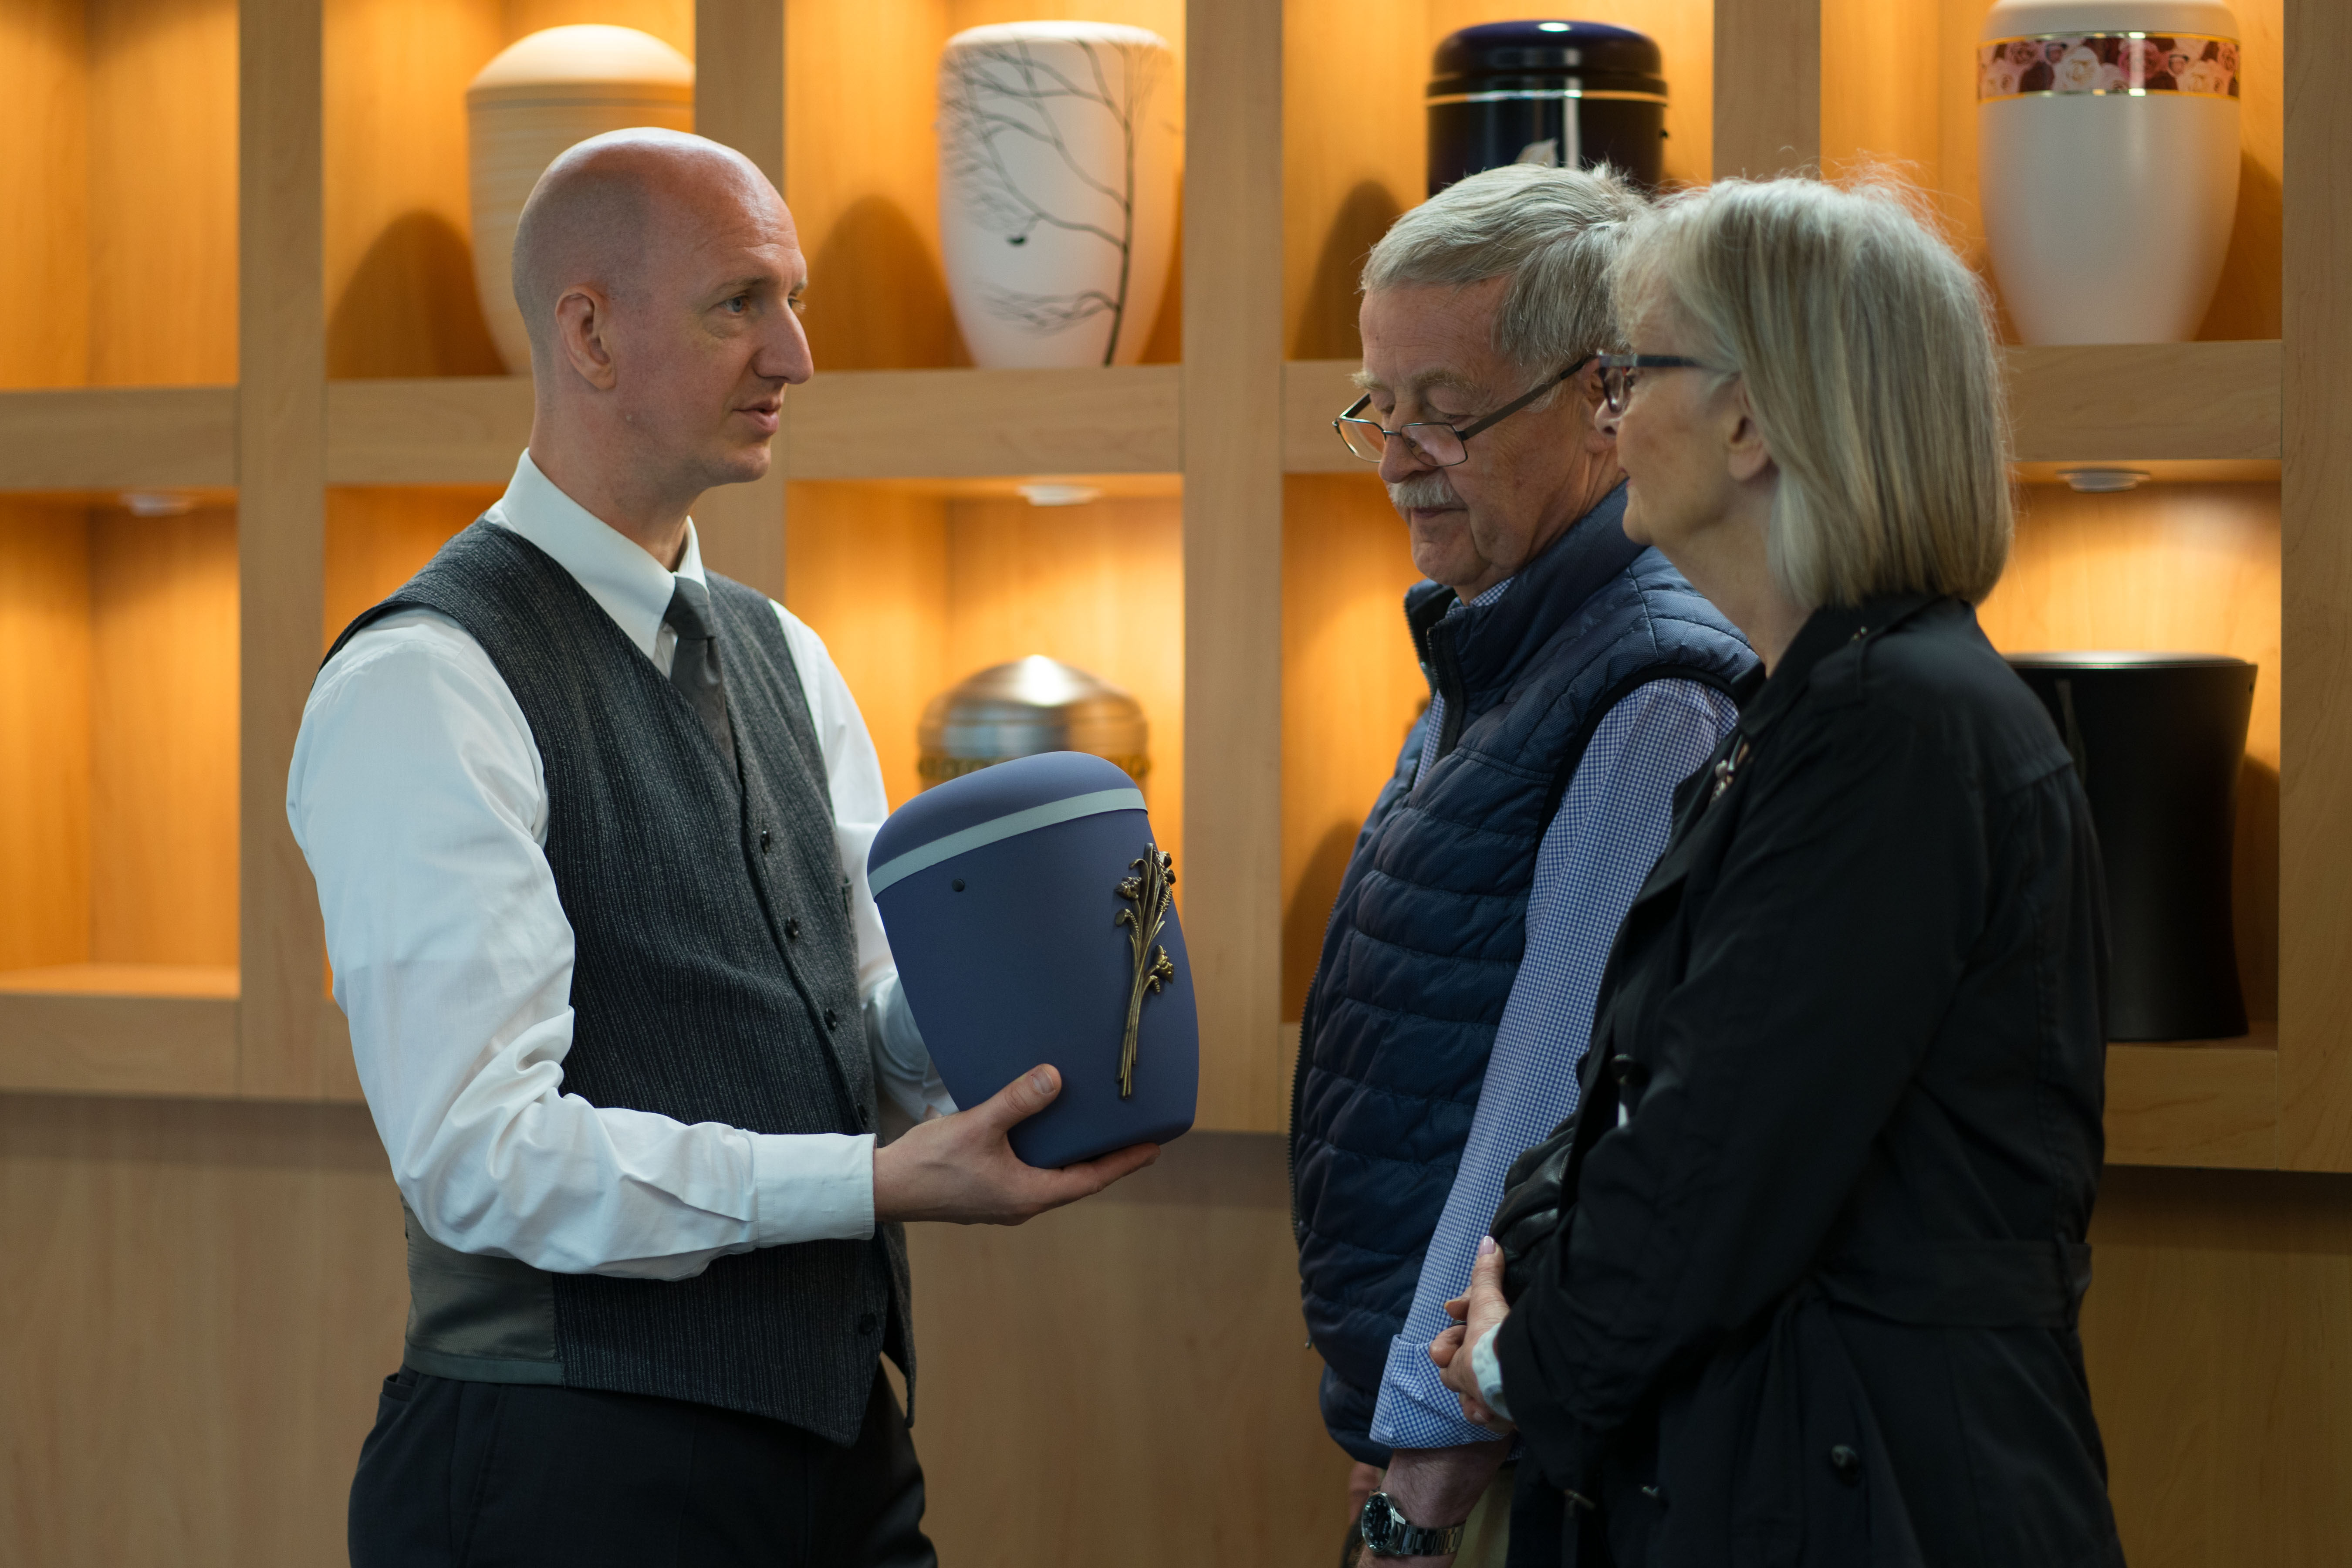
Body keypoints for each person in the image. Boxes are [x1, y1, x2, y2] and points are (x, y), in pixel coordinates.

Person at [289, 128, 1158, 1568]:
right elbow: (483, 1159)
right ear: (589, 334)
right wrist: (870, 1185)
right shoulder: (424, 681)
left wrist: (1016, 973)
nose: (796, 355)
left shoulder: (787, 656)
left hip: (839, 1451)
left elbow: (858, 1041)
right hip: (561, 1476)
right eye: (740, 304)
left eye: (794, 300)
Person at [1430, 175, 2126, 1567]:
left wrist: (1524, 1359)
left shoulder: (1890, 726)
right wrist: (1527, 1282)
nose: (1609, 417)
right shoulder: (1821, 711)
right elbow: (1641, 1110)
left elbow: (1714, 1161)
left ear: (1751, 421)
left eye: (1631, 374)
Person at [1287, 162, 1756, 1565]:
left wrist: (1430, 1440)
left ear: (1606, 395)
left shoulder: (1652, 692)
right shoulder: (1501, 635)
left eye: (1446, 412)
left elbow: (1552, 1105)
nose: (1394, 458)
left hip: (1512, 1440)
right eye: (1378, 406)